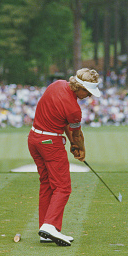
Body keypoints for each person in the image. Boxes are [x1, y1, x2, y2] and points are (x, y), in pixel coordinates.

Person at [27, 68, 101, 246]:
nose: (89, 96)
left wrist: (74, 145)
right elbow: (76, 134)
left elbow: (63, 123)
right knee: (63, 187)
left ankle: (45, 231)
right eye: (88, 92)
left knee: (47, 183)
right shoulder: (74, 109)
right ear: (80, 87)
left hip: (34, 139)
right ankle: (50, 226)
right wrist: (80, 149)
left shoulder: (57, 84)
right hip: (50, 144)